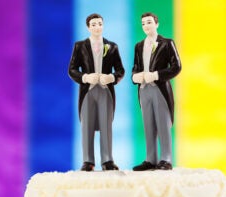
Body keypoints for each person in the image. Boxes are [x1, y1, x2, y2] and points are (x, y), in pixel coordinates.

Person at [68, 13, 124, 171]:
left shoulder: (112, 47)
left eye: (100, 23)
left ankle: (107, 160)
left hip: (105, 91)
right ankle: (88, 160)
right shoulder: (80, 46)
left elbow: (120, 70)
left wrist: (112, 77)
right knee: (87, 125)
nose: (97, 27)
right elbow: (72, 70)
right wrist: (85, 77)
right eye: (93, 24)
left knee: (106, 125)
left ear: (103, 25)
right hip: (88, 92)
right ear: (88, 27)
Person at [132, 12, 182, 171]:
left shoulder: (167, 43)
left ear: (156, 23)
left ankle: (166, 158)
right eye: (143, 23)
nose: (146, 26)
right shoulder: (139, 46)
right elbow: (136, 67)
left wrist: (156, 75)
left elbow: (176, 67)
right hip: (144, 90)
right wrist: (135, 77)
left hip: (159, 89)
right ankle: (150, 158)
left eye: (149, 22)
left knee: (163, 123)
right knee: (148, 124)